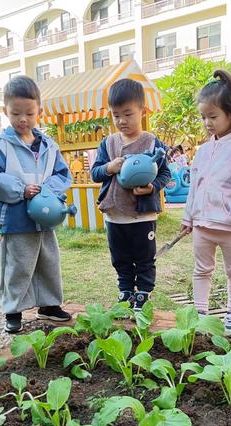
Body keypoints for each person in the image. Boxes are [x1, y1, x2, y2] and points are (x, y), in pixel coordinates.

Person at [180, 70, 231, 335]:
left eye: (213, 117)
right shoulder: (203, 151)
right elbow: (195, 186)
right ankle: (201, 313)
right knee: (201, 270)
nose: (207, 123)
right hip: (203, 224)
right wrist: (188, 216)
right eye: (203, 117)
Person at [0, 76, 72, 333]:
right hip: (16, 218)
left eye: (29, 113)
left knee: (49, 260)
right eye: (15, 113)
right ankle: (13, 309)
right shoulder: (1, 146)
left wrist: (49, 190)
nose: (22, 119)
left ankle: (49, 304)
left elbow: (62, 174)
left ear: (40, 112)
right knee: (18, 264)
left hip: (46, 219)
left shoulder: (49, 146)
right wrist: (20, 190)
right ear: (5, 112)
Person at [90, 78, 171, 311]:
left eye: (128, 114)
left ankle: (143, 294)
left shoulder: (152, 143)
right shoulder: (108, 143)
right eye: (116, 115)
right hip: (114, 216)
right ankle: (125, 292)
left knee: (144, 258)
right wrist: (109, 168)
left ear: (142, 111)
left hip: (142, 216)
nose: (122, 121)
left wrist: (152, 187)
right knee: (120, 258)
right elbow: (95, 173)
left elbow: (165, 173)